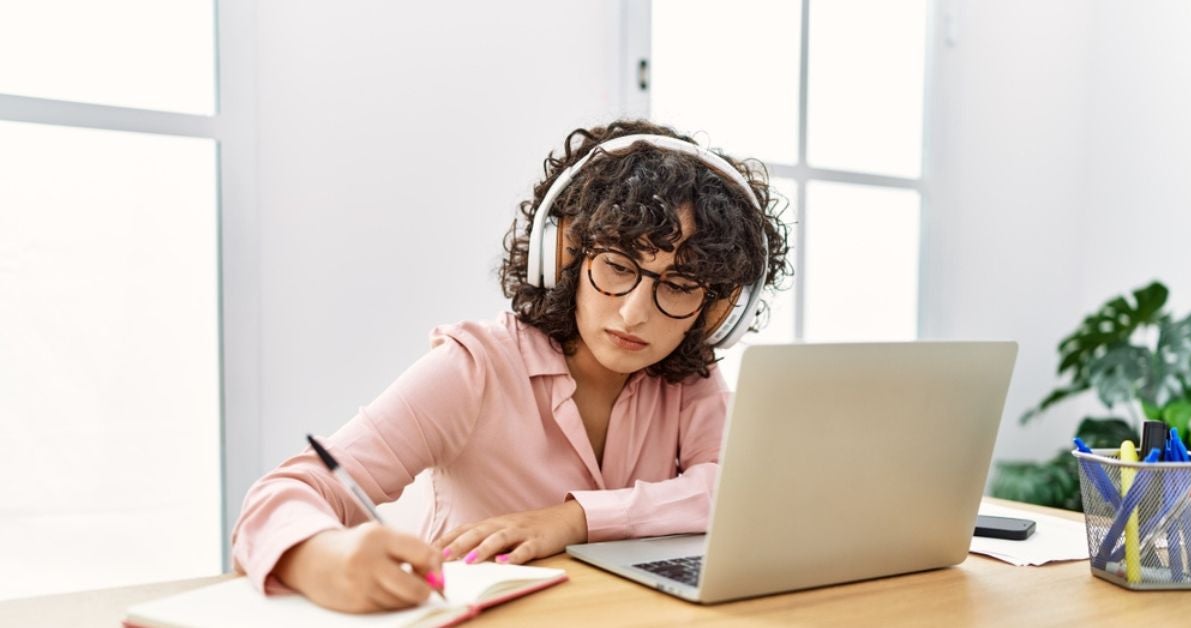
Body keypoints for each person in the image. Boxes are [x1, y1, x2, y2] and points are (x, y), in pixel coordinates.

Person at [230, 119, 791, 613]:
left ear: (718, 308)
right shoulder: (474, 368)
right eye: (618, 265)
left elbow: (733, 491)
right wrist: (322, 556)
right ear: (563, 255)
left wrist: (575, 520)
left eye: (679, 285)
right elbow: (287, 492)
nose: (635, 312)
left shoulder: (686, 375)